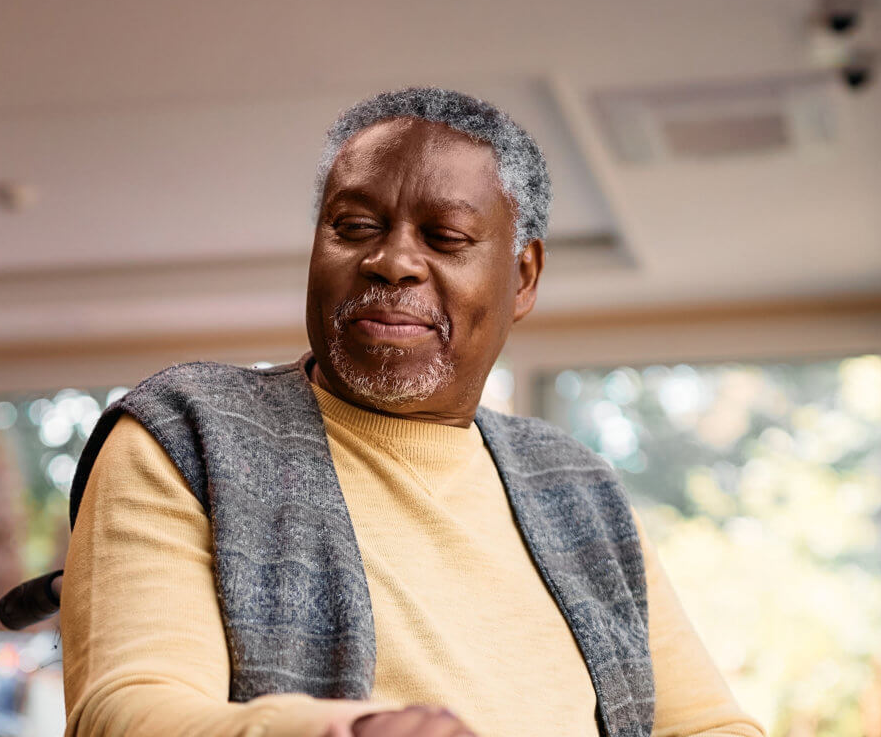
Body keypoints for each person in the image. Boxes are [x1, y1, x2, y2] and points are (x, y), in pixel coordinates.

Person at [55, 89, 766, 737]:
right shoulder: (187, 436)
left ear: (523, 277)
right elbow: (126, 714)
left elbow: (707, 726)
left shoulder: (579, 491)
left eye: (445, 238)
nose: (391, 261)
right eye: (354, 225)